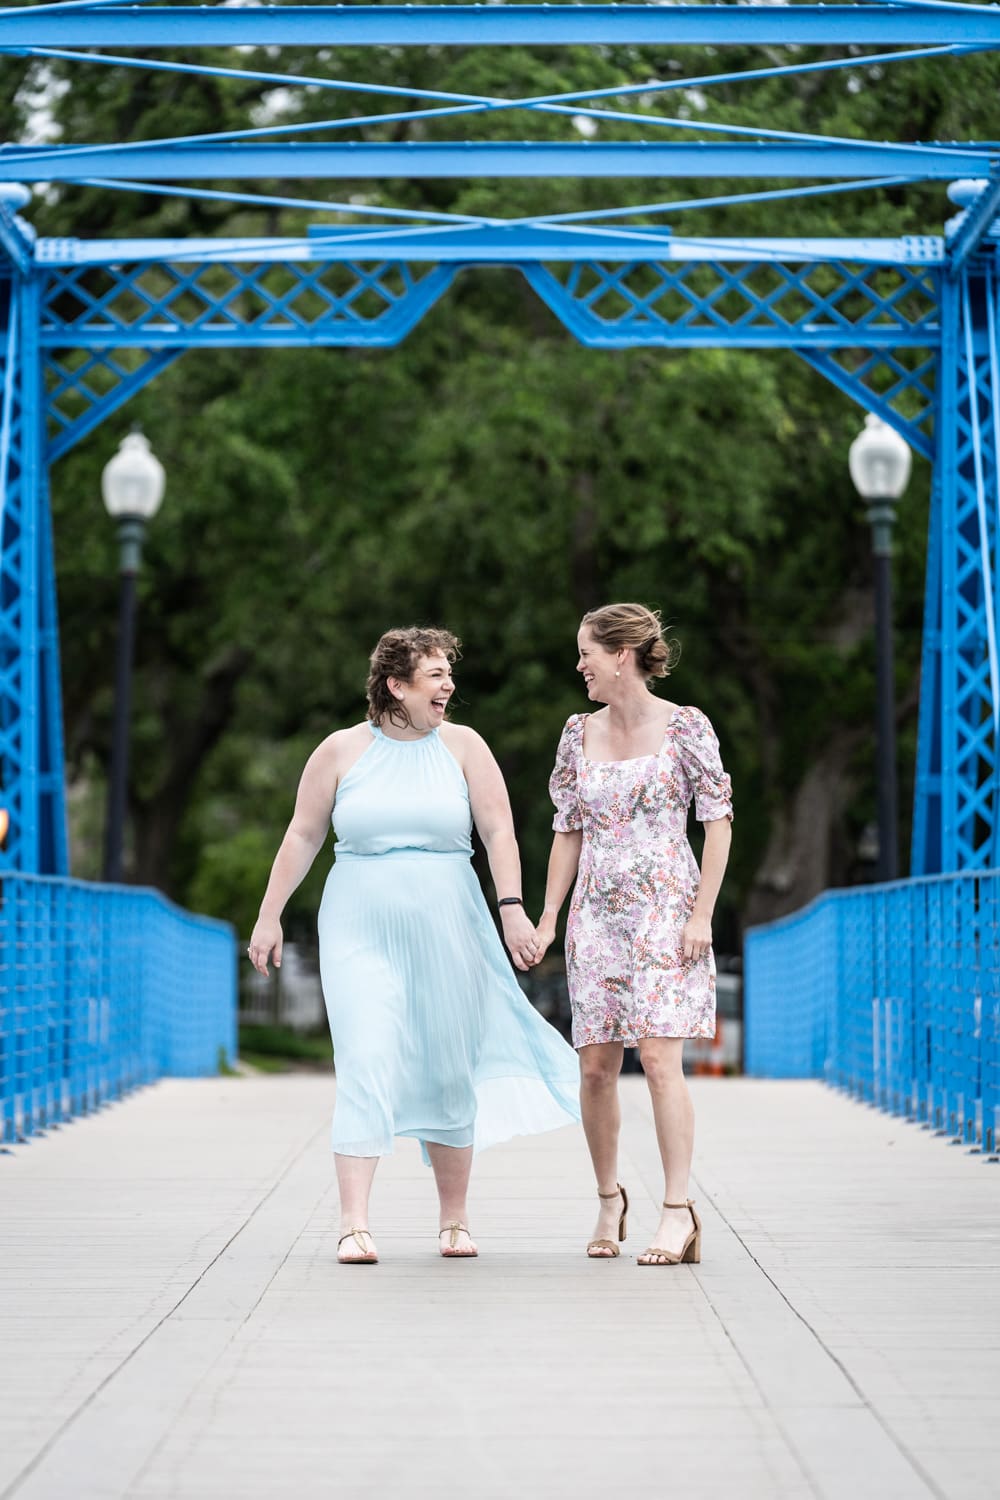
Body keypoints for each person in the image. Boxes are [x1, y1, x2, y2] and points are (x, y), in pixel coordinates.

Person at [248, 627, 580, 1264]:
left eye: (449, 672)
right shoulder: (341, 751)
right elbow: (302, 835)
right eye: (435, 674)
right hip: (359, 923)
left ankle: (454, 1220)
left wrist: (512, 909)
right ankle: (354, 1223)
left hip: (450, 920)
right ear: (396, 685)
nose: (449, 684)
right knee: (367, 1055)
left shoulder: (464, 747)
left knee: (448, 1064)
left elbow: (499, 831)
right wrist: (270, 915)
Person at [535, 603, 732, 1266]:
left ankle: (678, 1212)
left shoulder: (686, 727)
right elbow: (567, 829)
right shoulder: (575, 732)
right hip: (595, 916)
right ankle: (608, 1198)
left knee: (655, 1059)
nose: (580, 665)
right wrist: (548, 915)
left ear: (621, 654)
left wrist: (702, 912)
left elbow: (718, 820)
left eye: (587, 651)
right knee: (594, 1066)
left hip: (666, 912)